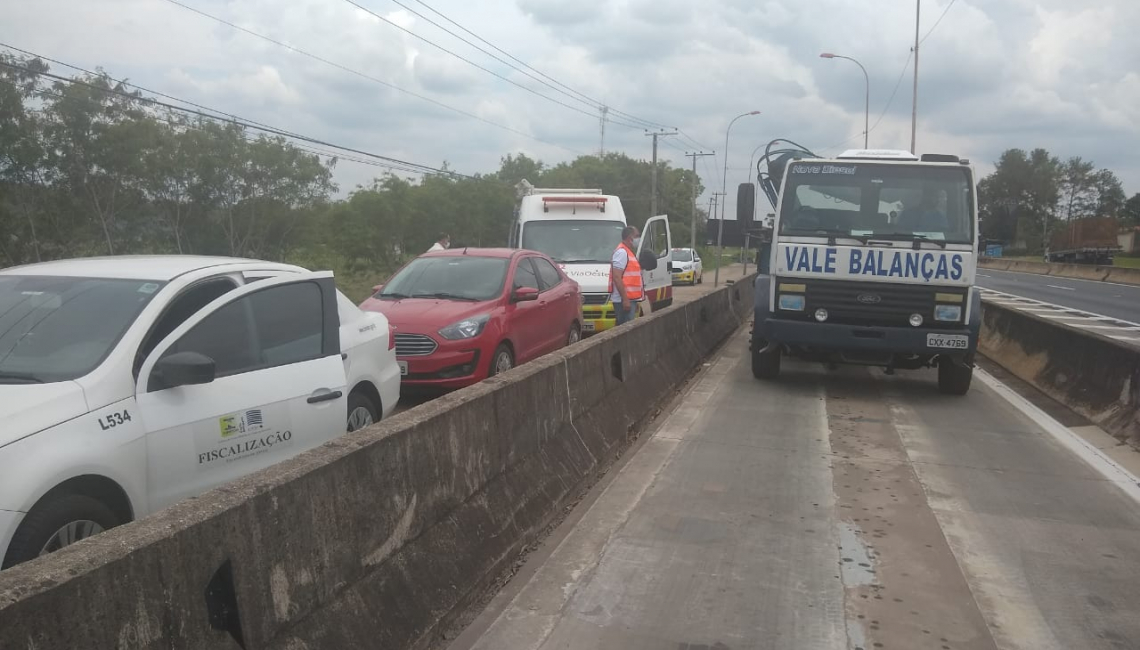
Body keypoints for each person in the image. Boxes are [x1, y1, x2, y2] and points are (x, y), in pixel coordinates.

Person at [610, 226, 643, 326]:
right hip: (623, 301)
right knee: (625, 330)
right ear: (630, 238)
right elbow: (616, 277)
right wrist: (625, 299)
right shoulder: (622, 253)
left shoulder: (628, 252)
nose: (639, 239)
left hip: (628, 300)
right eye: (637, 236)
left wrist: (635, 301)